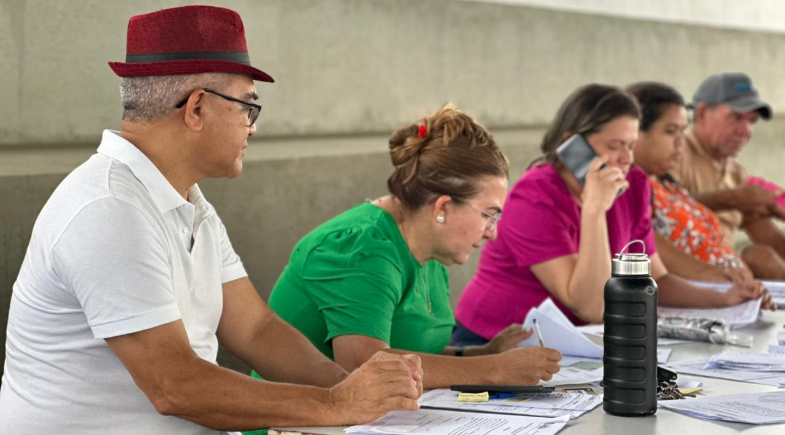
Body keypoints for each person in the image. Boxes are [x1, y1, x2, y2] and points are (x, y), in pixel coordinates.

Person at [0, 6, 423, 434]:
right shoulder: (108, 208)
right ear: (197, 107)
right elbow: (175, 386)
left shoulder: (186, 200)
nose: (252, 128)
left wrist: (359, 391)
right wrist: (336, 405)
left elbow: (255, 330)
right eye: (248, 107)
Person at [259, 105, 561, 390]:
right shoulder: (360, 249)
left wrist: (481, 354)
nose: (492, 233)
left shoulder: (431, 248)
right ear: (442, 207)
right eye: (489, 214)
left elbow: (412, 348)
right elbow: (364, 365)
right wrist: (494, 369)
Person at [452, 84, 773, 345]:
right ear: (571, 146)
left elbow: (656, 278)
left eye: (631, 146)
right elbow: (592, 305)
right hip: (492, 343)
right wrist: (594, 210)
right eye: (615, 145)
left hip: (575, 344)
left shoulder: (633, 184)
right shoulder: (534, 196)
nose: (625, 159)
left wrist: (725, 298)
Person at [626, 81, 756, 284]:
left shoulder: (664, 181)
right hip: (698, 296)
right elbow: (644, 241)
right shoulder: (626, 184)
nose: (680, 141)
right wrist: (714, 276)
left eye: (682, 131)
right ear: (633, 132)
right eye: (670, 131)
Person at [674, 72, 785, 280]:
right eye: (736, 117)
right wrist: (730, 199)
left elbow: (768, 236)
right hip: (689, 280)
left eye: (752, 121)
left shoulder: (735, 172)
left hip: (727, 278)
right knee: (757, 258)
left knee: (763, 256)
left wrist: (773, 208)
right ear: (703, 114)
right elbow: (660, 210)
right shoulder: (675, 154)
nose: (746, 131)